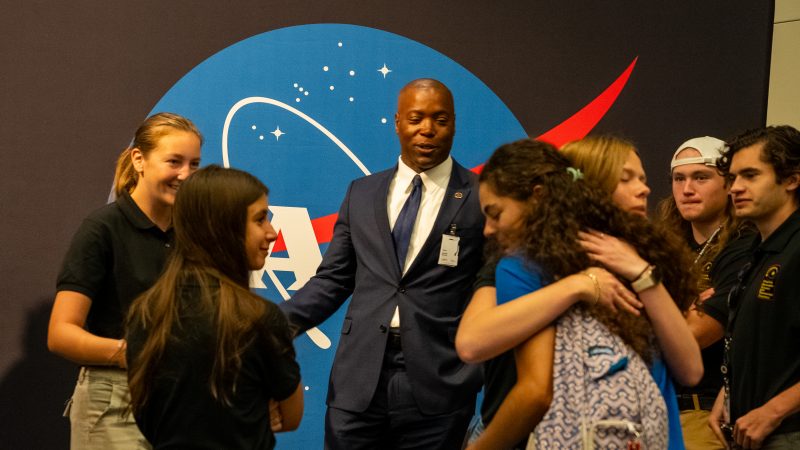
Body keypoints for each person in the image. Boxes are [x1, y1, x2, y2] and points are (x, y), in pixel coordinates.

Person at [278, 78, 485, 449]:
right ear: (397, 122)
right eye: (416, 118)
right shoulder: (362, 192)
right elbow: (333, 279)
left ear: (454, 124)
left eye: (440, 120)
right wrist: (272, 324)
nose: (427, 129)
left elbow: (492, 287)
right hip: (358, 379)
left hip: (439, 382)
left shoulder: (480, 197)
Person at [458, 134, 696, 449]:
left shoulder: (641, 261)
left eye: (642, 178)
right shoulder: (528, 264)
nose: (644, 189)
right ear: (589, 187)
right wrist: (581, 284)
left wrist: (641, 273)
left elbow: (691, 370)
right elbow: (477, 346)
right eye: (625, 178)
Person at [47, 112, 202, 449]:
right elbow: (60, 334)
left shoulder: (196, 234)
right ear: (138, 159)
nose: (185, 174)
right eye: (174, 161)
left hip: (182, 402)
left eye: (194, 164)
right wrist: (129, 353)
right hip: (114, 401)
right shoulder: (103, 228)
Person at [125, 165, 303, 449]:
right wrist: (257, 409)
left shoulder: (145, 312)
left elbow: (147, 416)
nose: (272, 233)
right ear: (223, 227)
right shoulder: (259, 318)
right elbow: (290, 416)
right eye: (260, 220)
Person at [706, 125, 800, 449]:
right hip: (752, 429)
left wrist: (774, 411)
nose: (735, 188)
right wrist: (728, 391)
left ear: (792, 179)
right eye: (733, 178)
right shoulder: (756, 249)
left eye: (750, 175)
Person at [655, 136, 731, 450]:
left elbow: (695, 334)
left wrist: (657, 310)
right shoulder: (662, 246)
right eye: (679, 178)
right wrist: (683, 311)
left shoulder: (743, 247)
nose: (687, 189)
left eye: (701, 177)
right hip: (650, 404)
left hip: (701, 410)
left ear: (729, 184)